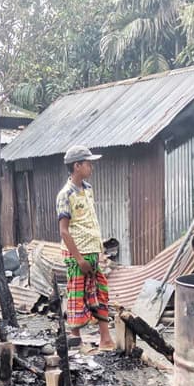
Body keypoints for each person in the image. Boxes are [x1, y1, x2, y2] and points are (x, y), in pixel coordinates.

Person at [57, 145, 115, 352]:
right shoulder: (65, 194)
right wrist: (79, 258)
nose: (91, 167)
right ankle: (76, 341)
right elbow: (64, 231)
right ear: (77, 166)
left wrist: (96, 252)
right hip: (77, 254)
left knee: (100, 292)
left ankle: (105, 339)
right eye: (88, 163)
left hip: (92, 252)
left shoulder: (88, 189)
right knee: (77, 295)